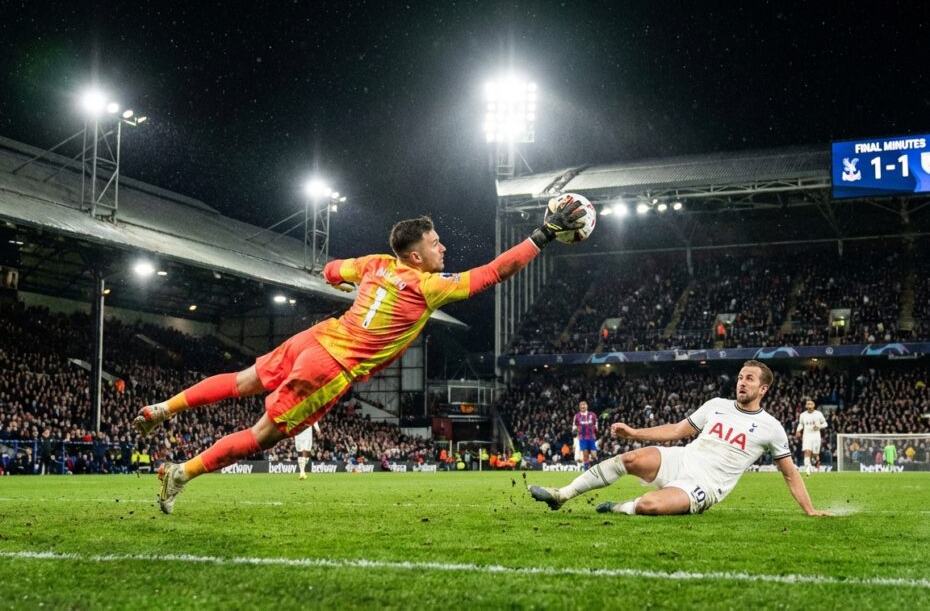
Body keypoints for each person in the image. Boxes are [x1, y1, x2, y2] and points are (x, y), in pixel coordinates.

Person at [133, 201, 587, 514]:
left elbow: (331, 271)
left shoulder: (374, 264)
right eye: (436, 245)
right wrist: (543, 234)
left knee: (242, 379)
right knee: (262, 436)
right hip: (330, 366)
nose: (443, 249)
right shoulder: (429, 286)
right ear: (415, 254)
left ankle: (163, 408)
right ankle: (182, 472)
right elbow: (493, 274)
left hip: (313, 337)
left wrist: (350, 284)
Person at [528, 361, 832, 517]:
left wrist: (810, 510)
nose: (741, 382)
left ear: (763, 389)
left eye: (749, 379)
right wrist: (634, 433)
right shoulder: (716, 405)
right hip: (682, 459)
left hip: (704, 486)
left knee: (649, 506)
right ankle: (562, 495)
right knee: (630, 459)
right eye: (740, 376)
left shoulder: (771, 427)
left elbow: (790, 473)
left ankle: (619, 507)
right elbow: (675, 431)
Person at [795, 398, 828, 476]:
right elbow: (801, 424)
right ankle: (808, 471)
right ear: (806, 406)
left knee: (815, 454)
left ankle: (816, 460)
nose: (809, 405)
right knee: (807, 452)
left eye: (811, 404)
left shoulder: (818, 414)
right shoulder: (802, 415)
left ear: (814, 405)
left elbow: (825, 424)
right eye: (808, 404)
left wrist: (819, 426)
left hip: (816, 436)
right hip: (807, 436)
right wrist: (798, 431)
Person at [572, 400, 598, 470]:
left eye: (584, 404)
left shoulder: (592, 415)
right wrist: (576, 430)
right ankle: (586, 471)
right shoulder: (577, 416)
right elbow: (574, 427)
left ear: (587, 406)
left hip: (591, 437)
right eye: (581, 405)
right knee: (585, 455)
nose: (583, 406)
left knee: (594, 455)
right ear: (579, 407)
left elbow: (596, 425)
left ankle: (596, 468)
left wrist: (595, 429)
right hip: (582, 438)